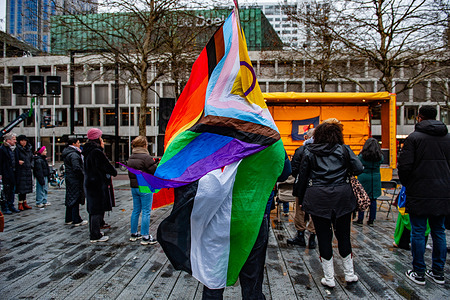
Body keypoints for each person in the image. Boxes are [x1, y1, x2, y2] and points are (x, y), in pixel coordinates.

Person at [202, 153, 291, 300]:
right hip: (254, 213)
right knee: (252, 276)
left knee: (214, 275)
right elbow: (284, 172)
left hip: (220, 214)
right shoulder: (269, 137)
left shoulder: (218, 135)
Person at [296, 120, 363, 288]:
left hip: (318, 197)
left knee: (324, 237)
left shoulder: (310, 151)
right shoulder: (344, 149)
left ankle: (329, 277)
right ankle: (349, 273)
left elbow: (302, 176)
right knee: (344, 235)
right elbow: (359, 168)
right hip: (342, 197)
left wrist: (301, 198)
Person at [397, 105, 450, 285]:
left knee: (418, 232)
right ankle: (438, 272)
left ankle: (418, 271)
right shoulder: (447, 138)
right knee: (439, 231)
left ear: (419, 117)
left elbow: (404, 167)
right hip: (443, 192)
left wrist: (408, 184)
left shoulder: (414, 138)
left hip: (419, 191)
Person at [82, 128, 117, 243]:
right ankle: (95, 235)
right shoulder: (97, 152)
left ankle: (94, 232)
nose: (102, 140)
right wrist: (113, 171)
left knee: (93, 209)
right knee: (98, 209)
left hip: (89, 183)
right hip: (97, 184)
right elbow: (107, 167)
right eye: (101, 137)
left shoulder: (87, 151)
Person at [127, 136, 158, 245]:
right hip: (145, 187)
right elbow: (154, 171)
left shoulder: (131, 157)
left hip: (134, 187)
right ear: (145, 145)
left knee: (136, 210)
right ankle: (145, 236)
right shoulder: (146, 157)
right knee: (146, 211)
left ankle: (134, 234)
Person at [289, 128, 316, 248]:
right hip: (316, 185)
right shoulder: (321, 150)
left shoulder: (300, 150)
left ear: (306, 137)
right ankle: (312, 238)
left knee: (300, 211)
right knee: (315, 211)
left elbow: (293, 169)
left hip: (302, 185)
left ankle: (300, 236)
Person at [353, 138, 384, 226]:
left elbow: (357, 162)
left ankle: (360, 219)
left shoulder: (362, 156)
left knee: (362, 198)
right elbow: (381, 161)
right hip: (375, 177)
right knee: (373, 199)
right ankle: (371, 220)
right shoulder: (380, 156)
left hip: (364, 176)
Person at [62, 138, 87, 227]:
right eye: (78, 142)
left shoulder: (68, 152)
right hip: (75, 179)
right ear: (74, 143)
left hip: (70, 178)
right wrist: (82, 175)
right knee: (75, 198)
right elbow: (76, 167)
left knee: (70, 197)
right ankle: (76, 219)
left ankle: (69, 218)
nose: (79, 144)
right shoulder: (74, 154)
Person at [0, 133, 20, 214]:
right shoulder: (2, 149)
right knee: (6, 191)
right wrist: (1, 173)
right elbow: (1, 162)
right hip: (6, 173)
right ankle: (5, 207)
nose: (15, 141)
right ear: (8, 140)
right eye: (14, 139)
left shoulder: (14, 149)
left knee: (12, 190)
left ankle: (10, 205)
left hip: (13, 172)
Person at [15, 135, 34, 211]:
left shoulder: (28, 149)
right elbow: (14, 158)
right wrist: (18, 162)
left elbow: (32, 158)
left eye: (25, 141)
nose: (24, 142)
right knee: (21, 187)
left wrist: (31, 165)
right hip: (21, 170)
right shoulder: (17, 149)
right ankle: (20, 203)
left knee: (26, 187)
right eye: (22, 141)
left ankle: (24, 202)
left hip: (27, 170)